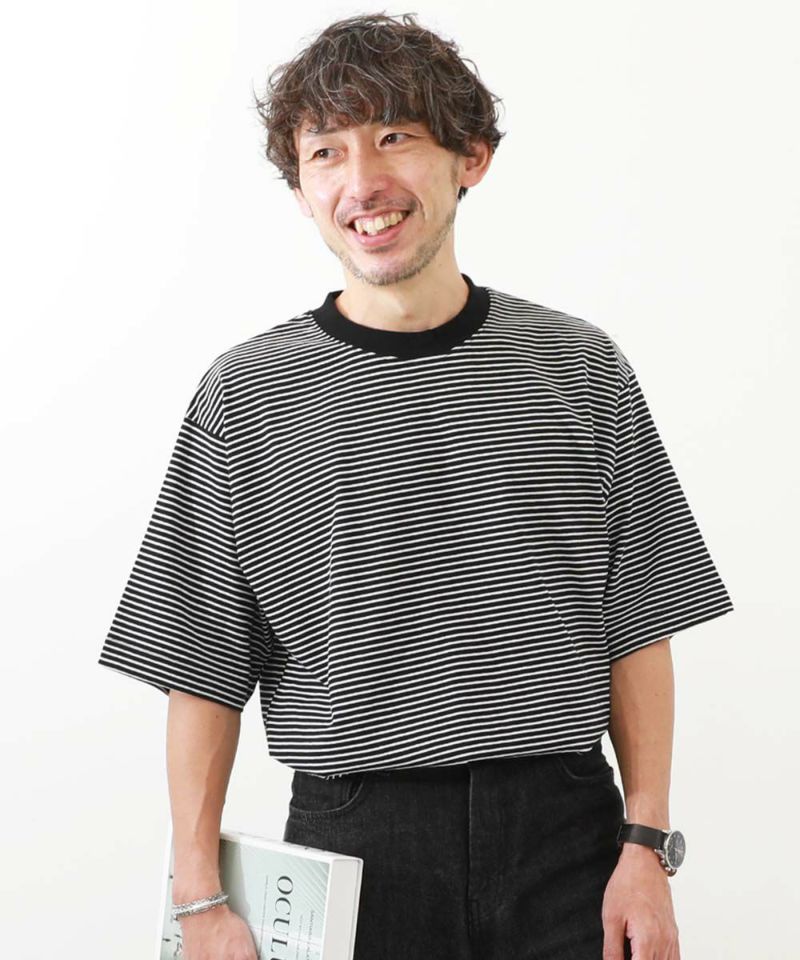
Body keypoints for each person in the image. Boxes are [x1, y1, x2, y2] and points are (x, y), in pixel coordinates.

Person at [97, 12, 734, 960]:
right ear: (302, 190)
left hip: (569, 843)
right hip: (354, 851)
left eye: (394, 136)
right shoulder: (249, 395)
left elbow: (640, 622)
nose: (362, 182)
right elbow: (199, 661)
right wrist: (198, 899)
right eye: (326, 152)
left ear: (471, 156)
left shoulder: (580, 367)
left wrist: (646, 845)